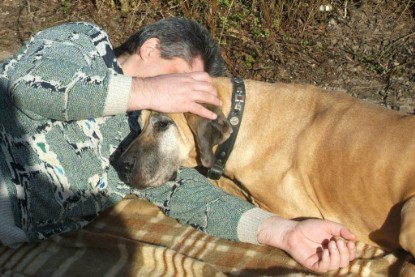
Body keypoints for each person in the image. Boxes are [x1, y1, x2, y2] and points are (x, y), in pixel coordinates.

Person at [0, 18, 356, 273]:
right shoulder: (83, 43)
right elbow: (23, 86)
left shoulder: (137, 131)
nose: (177, 98)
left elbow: (188, 197)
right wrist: (149, 90)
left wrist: (286, 231)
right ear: (151, 48)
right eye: (178, 82)